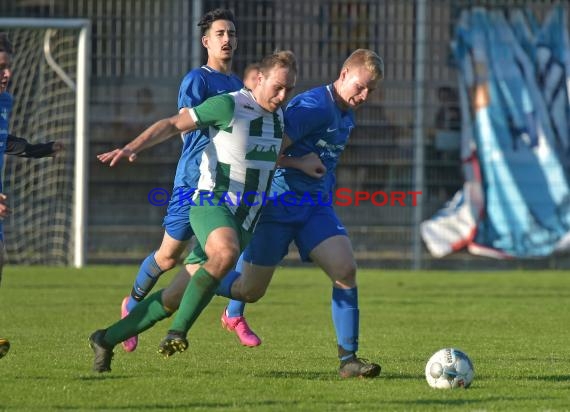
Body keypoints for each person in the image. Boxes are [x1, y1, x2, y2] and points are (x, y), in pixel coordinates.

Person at [89, 49, 298, 372]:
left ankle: (105, 339)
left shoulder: (278, 116)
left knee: (173, 297)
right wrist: (133, 147)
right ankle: (178, 333)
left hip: (246, 220)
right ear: (259, 79)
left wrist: (302, 161)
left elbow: (268, 153)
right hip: (211, 204)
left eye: (290, 90)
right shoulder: (229, 104)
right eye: (278, 87)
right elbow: (173, 124)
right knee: (225, 253)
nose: (283, 95)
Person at [213, 49, 384, 378]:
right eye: (360, 86)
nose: (364, 96)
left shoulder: (346, 111)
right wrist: (299, 163)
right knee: (250, 290)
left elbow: (324, 160)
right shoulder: (314, 106)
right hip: (279, 206)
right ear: (344, 73)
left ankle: (348, 360)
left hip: (314, 209)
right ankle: (196, 279)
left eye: (371, 91)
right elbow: (264, 148)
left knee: (345, 269)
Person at [98, 8, 261, 351]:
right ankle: (131, 304)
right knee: (169, 256)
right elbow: (185, 127)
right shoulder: (197, 80)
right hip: (193, 181)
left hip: (224, 185)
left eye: (231, 33)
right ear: (206, 41)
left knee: (232, 245)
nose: (227, 39)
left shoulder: (237, 86)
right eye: (220, 34)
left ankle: (235, 311)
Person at [0, 32, 64, 359]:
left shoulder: (5, 101)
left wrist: (39, 150)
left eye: (8, 67)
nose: (7, 74)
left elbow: (3, 141)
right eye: (0, 67)